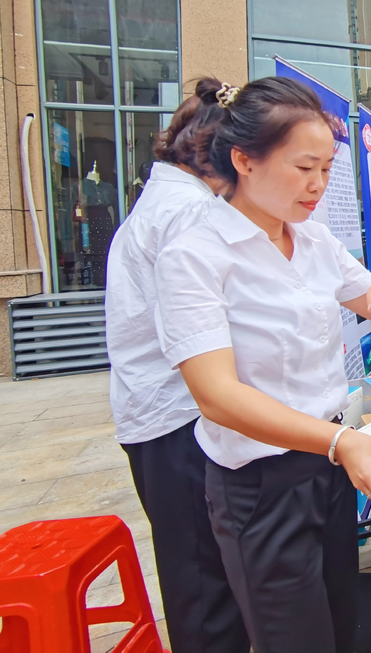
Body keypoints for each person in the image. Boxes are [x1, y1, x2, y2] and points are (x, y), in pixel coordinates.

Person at [153, 76, 371, 653]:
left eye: (326, 169)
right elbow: (218, 396)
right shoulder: (194, 256)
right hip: (260, 485)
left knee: (342, 624)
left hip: (328, 470)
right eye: (304, 169)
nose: (318, 185)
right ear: (244, 160)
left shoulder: (314, 239)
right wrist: (336, 443)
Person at [105, 80, 248, 653]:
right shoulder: (189, 214)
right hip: (178, 417)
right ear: (235, 158)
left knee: (201, 573)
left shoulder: (168, 197)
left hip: (161, 410)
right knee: (203, 583)